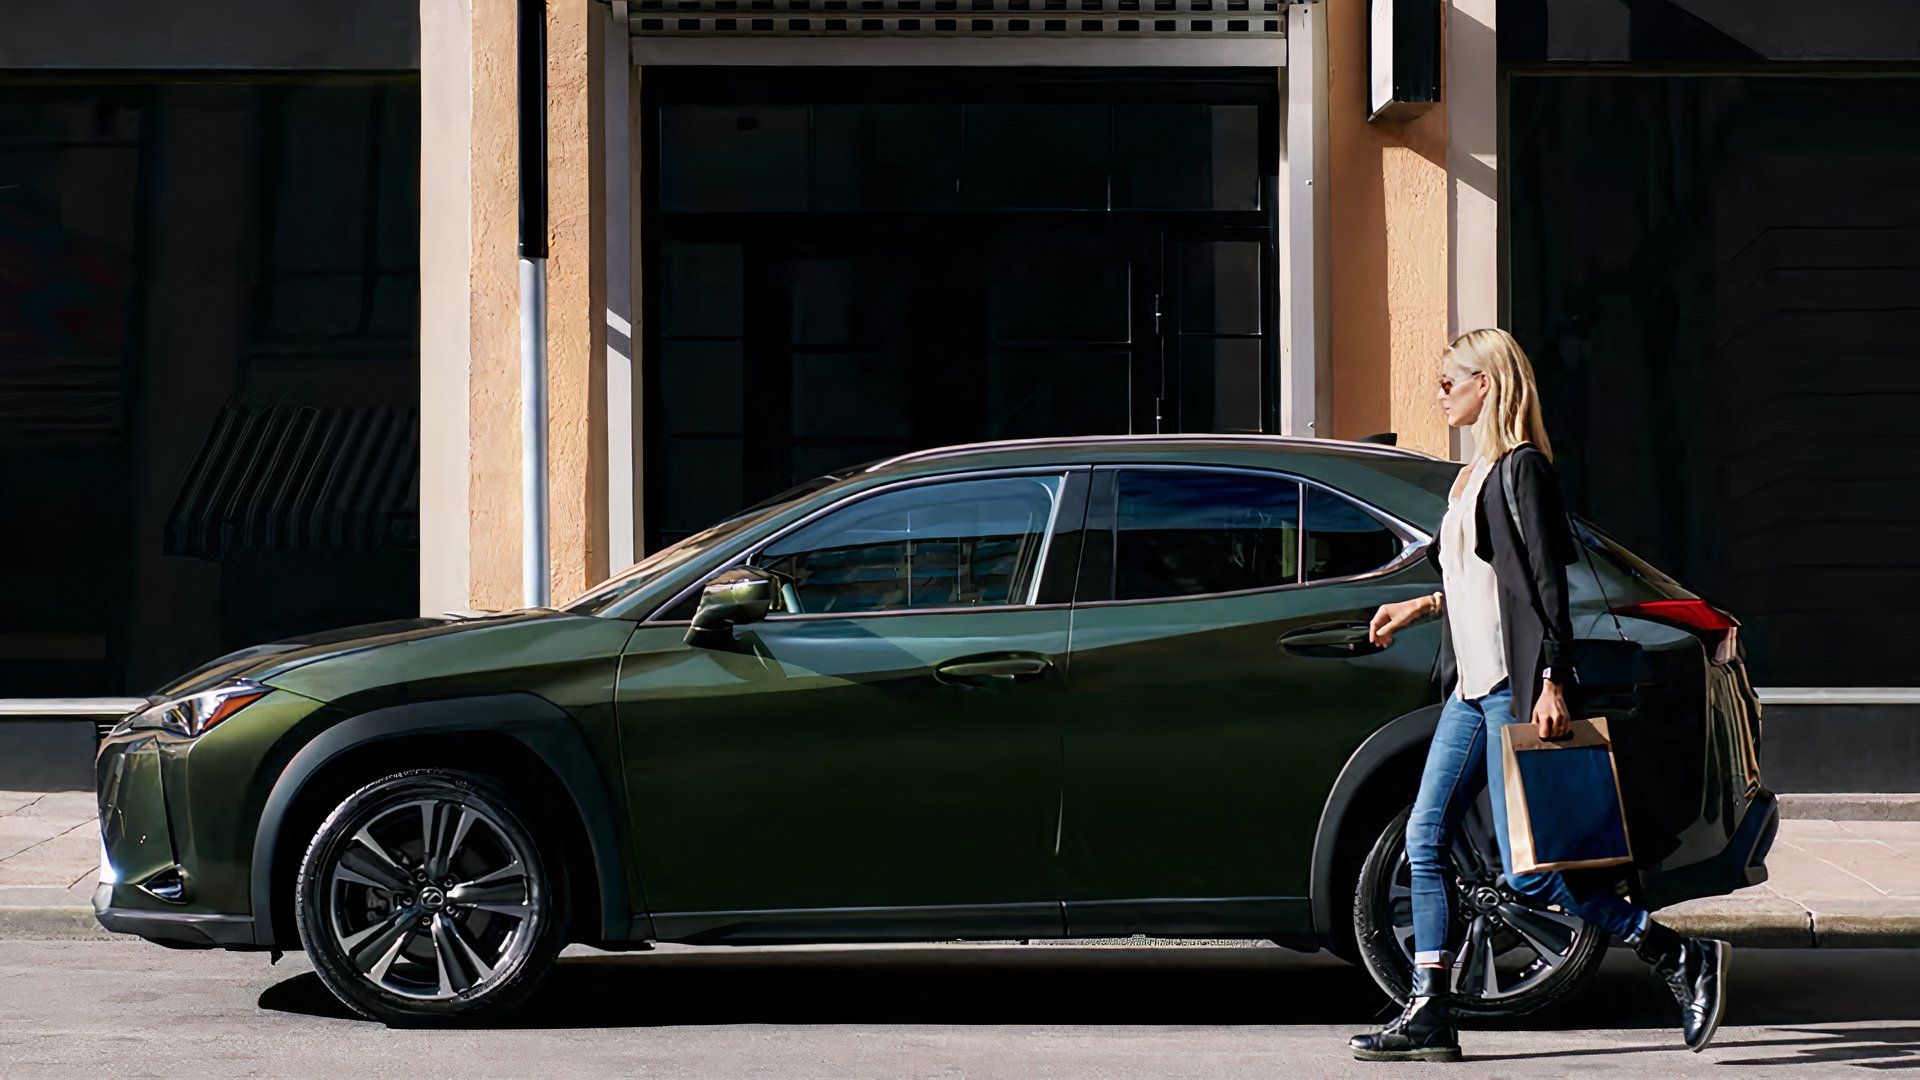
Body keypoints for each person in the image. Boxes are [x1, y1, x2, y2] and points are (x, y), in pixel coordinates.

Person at [1347, 329, 1729, 1063]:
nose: (1439, 392)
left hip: (1515, 693)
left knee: (1531, 871)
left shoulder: (1522, 470)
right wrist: (1418, 609)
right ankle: (1429, 1010)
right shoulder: (1466, 478)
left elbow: (1549, 586)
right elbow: (1476, 581)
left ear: (1486, 383)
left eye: (1449, 380)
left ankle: (1678, 957)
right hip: (1472, 690)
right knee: (1425, 841)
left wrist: (1553, 679)